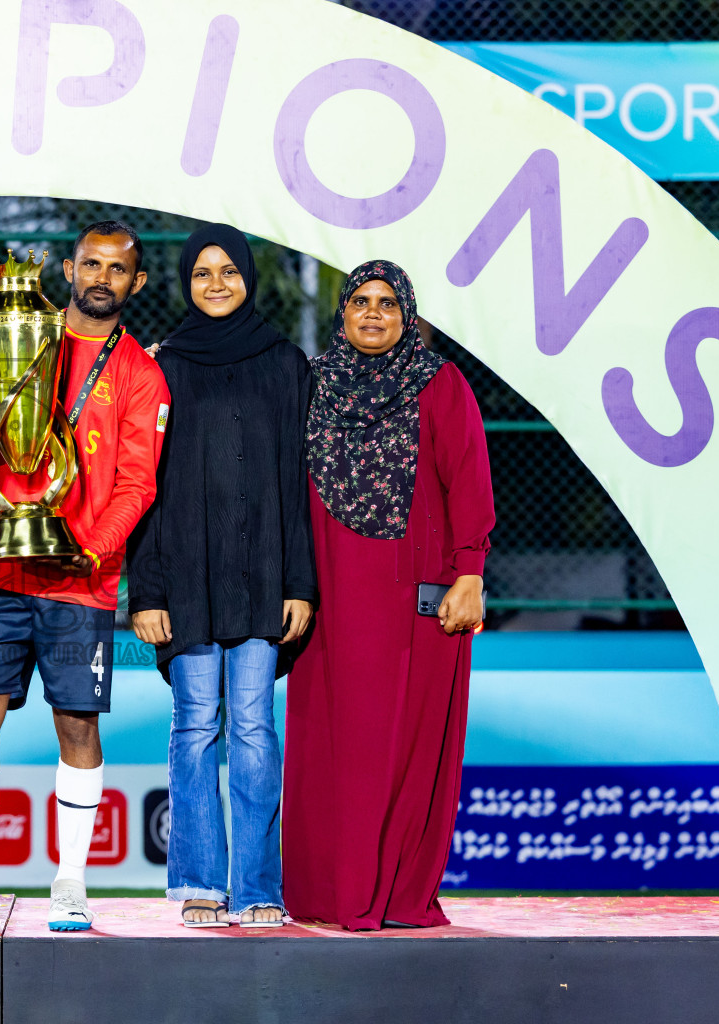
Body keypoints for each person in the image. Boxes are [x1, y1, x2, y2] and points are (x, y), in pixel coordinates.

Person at [0, 221, 171, 933]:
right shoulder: (15, 332)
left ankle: (70, 882)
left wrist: (92, 550)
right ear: (67, 267)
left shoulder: (140, 373)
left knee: (77, 722)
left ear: (135, 283)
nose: (101, 277)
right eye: (90, 262)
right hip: (1, 563)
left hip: (80, 580)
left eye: (117, 269)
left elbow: (137, 483)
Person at [282, 260, 493, 930]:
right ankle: (330, 894)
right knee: (331, 744)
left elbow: (467, 477)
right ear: (342, 311)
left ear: (408, 315)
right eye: (361, 302)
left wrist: (471, 572)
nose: (373, 314)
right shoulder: (312, 382)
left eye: (388, 304)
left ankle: (397, 892)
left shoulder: (438, 383)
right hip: (327, 596)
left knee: (405, 743)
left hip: (415, 598)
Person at [127, 224, 316, 928]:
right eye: (202, 271)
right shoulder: (163, 365)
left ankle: (261, 886)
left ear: (247, 277)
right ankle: (201, 883)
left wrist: (300, 582)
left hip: (264, 576)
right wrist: (145, 591)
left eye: (228, 271)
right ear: (185, 280)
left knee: (255, 730)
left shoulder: (285, 363)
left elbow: (299, 485)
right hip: (186, 580)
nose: (215, 283)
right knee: (194, 729)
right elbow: (140, 485)